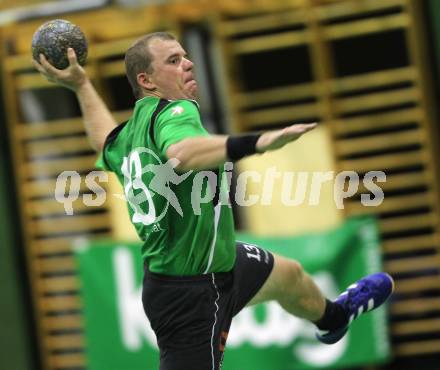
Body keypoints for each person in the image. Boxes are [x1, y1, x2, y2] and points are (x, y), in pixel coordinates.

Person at [33, 32, 394, 370]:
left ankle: (334, 319)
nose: (187, 64)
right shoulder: (177, 111)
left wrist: (81, 84)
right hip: (190, 297)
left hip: (219, 263)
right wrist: (257, 142)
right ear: (147, 81)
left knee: (290, 276)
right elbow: (182, 154)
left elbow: (102, 140)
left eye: (186, 57)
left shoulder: (128, 134)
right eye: (173, 61)